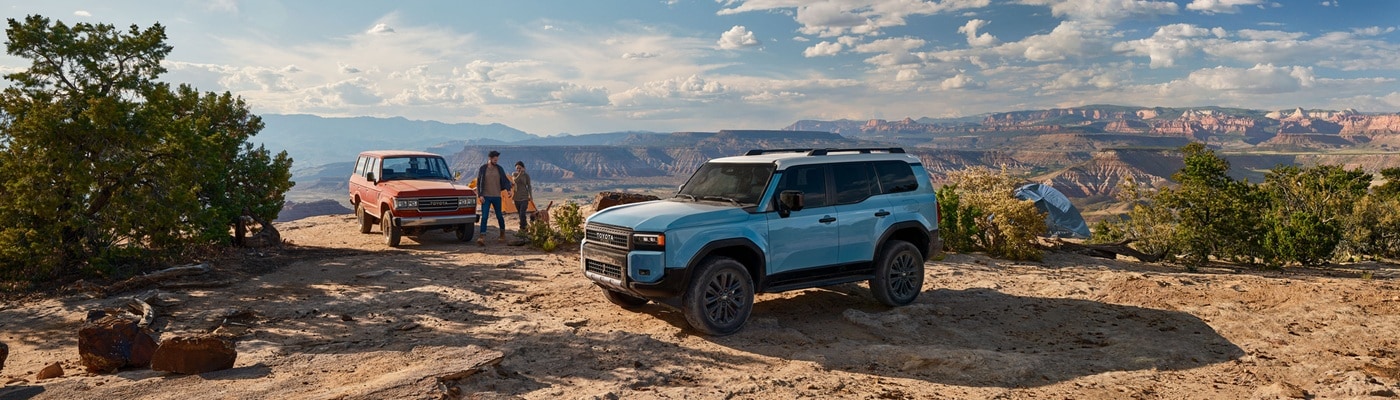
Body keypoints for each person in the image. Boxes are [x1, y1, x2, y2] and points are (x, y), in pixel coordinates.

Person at [475, 150, 512, 245]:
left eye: (497, 160)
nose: (496, 161)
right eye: (495, 160)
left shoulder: (499, 169)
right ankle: (482, 236)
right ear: (490, 159)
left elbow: (505, 180)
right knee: (485, 216)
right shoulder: (483, 169)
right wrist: (480, 195)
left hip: (496, 196)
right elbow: (479, 182)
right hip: (486, 196)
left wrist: (508, 190)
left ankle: (502, 233)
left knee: (499, 215)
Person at [511, 161, 533, 231]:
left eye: (519, 168)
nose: (518, 169)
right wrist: (520, 173)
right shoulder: (514, 174)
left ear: (523, 168)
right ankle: (525, 227)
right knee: (520, 214)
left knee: (522, 213)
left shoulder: (526, 176)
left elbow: (529, 186)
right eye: (517, 168)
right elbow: (516, 180)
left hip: (524, 197)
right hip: (516, 197)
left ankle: (522, 228)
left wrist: (531, 195)